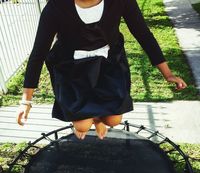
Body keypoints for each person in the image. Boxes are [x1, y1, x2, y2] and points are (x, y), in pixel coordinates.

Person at [16, 0, 187, 140]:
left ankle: (98, 119)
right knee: (82, 124)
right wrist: (26, 101)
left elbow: (143, 34)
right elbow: (38, 53)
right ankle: (92, 118)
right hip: (71, 68)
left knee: (113, 120)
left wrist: (168, 74)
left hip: (108, 64)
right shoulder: (56, 7)